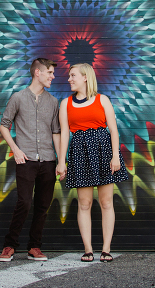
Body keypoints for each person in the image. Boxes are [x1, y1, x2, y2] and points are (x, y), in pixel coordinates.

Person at [56, 63, 129, 263]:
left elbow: (113, 130)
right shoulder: (65, 104)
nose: (69, 79)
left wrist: (115, 155)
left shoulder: (102, 100)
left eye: (73, 75)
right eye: (69, 76)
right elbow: (64, 135)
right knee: (84, 204)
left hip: (104, 151)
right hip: (79, 152)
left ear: (85, 77)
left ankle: (106, 249)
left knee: (106, 203)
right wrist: (61, 162)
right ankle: (88, 249)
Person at [0, 57, 61, 262]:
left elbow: (56, 132)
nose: (53, 76)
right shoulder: (18, 97)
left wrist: (60, 161)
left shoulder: (53, 101)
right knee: (24, 203)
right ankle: (9, 245)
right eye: (50, 72)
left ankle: (34, 247)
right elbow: (4, 125)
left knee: (43, 206)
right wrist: (15, 149)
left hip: (48, 161)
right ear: (37, 73)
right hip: (25, 160)